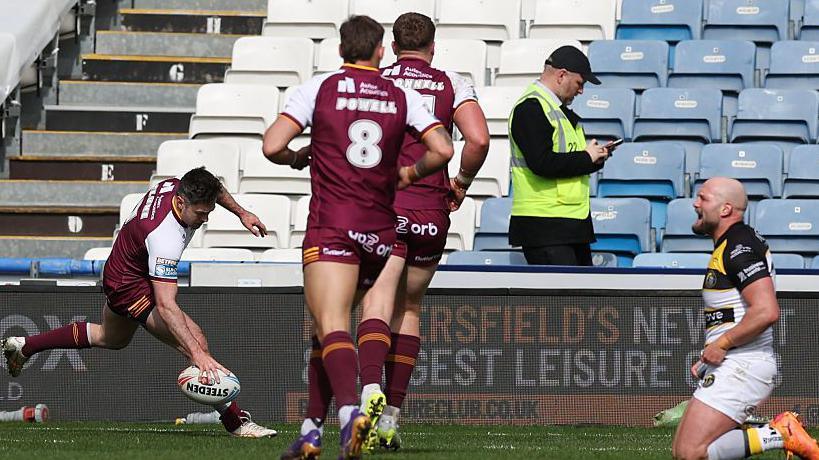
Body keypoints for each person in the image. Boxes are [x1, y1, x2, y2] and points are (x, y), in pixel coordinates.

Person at [261, 15, 454, 460]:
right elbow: (444, 149)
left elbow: (271, 146)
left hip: (333, 223)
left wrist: (296, 158)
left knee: (331, 322)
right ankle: (310, 430)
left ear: (340, 49)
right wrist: (410, 173)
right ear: (380, 51)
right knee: (326, 329)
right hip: (381, 230)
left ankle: (351, 413)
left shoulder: (320, 88)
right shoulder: (401, 94)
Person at [1, 167, 277, 438]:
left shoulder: (177, 185)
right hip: (128, 285)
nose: (205, 220)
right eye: (201, 213)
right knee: (196, 341)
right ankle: (236, 422)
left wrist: (242, 213)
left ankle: (25, 346)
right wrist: (197, 354)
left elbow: (215, 187)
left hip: (124, 266)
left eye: (209, 212)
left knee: (110, 338)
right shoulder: (164, 237)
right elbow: (166, 306)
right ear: (181, 203)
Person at [367, 11, 490, 451]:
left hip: (384, 207)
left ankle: (369, 391)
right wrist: (461, 184)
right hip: (431, 211)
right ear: (433, 47)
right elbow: (478, 140)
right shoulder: (452, 82)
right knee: (410, 309)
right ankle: (391, 418)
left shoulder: (376, 81)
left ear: (393, 46)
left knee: (377, 301)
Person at [672, 177, 819, 460]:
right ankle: (777, 433)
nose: (695, 203)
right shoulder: (734, 243)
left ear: (725, 209)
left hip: (743, 366)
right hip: (737, 364)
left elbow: (766, 310)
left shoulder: (738, 246)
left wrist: (721, 344)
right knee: (685, 452)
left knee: (691, 453)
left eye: (703, 198)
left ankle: (780, 433)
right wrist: (712, 354)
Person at [508, 45, 610, 266]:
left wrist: (594, 159)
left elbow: (565, 159)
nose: (581, 91)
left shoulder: (552, 109)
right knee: (562, 289)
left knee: (579, 289)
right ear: (562, 75)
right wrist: (586, 158)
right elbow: (542, 163)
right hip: (545, 225)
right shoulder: (531, 107)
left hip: (568, 224)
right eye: (580, 83)